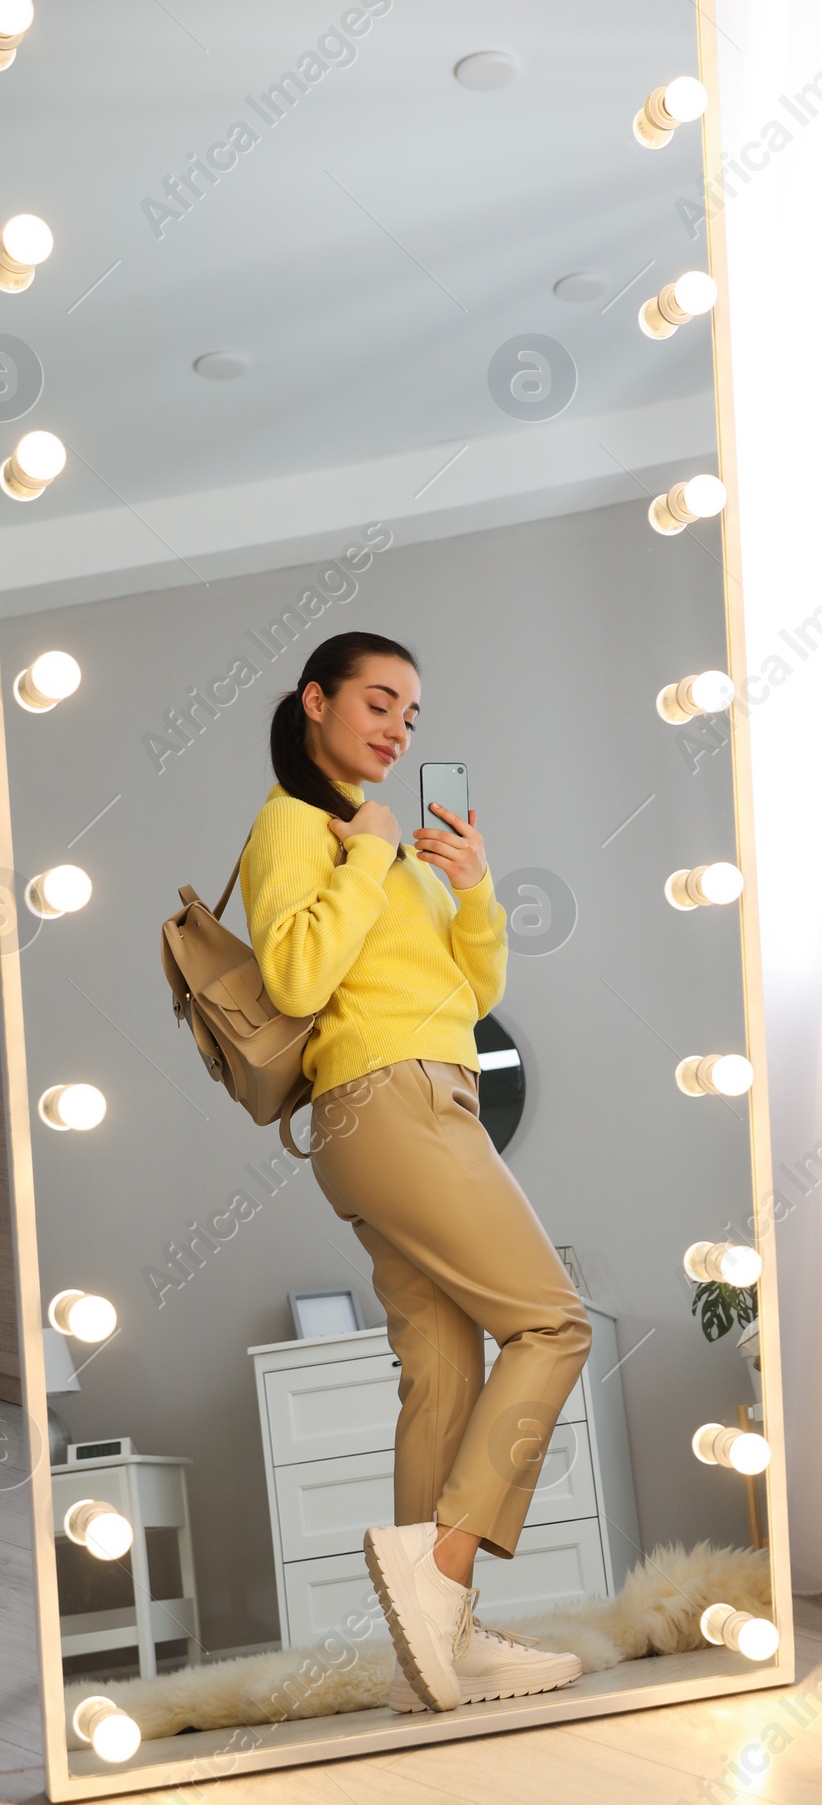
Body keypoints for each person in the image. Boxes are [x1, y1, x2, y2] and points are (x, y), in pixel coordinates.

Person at [241, 630, 592, 1714]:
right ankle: (440, 1576)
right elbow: (297, 968)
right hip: (389, 1099)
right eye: (379, 702)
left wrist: (471, 887)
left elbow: (472, 991)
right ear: (316, 703)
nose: (398, 727)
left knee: (442, 1365)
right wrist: (369, 852)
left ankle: (438, 1646)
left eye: (412, 714)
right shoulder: (296, 824)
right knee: (553, 1324)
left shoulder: (392, 844)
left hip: (411, 1097)